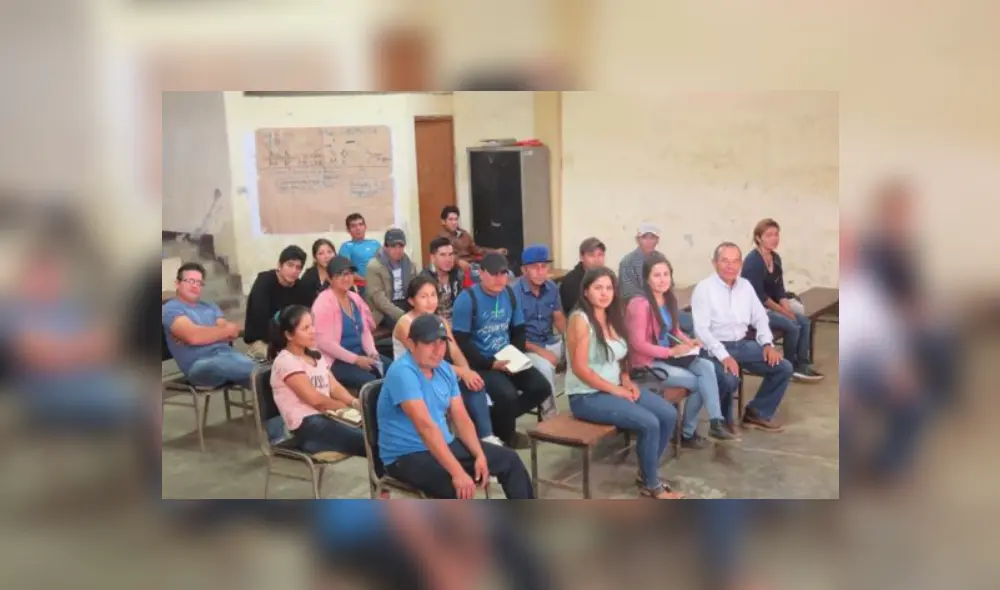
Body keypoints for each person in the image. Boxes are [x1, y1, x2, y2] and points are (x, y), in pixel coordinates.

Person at [377, 314, 535, 499]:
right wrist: (458, 473)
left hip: (444, 443)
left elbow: (461, 418)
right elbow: (425, 428)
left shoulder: (444, 369)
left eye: (442, 343)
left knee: (509, 460)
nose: (438, 350)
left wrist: (479, 454)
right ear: (411, 344)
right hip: (406, 455)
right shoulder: (403, 372)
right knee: (456, 486)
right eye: (430, 343)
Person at [565, 267, 684, 499]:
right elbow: (580, 369)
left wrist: (627, 381)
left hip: (614, 388)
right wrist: (616, 390)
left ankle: (646, 472)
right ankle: (651, 484)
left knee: (668, 414)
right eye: (598, 288)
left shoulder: (613, 315)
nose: (604, 293)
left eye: (609, 288)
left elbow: (622, 357)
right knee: (649, 422)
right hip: (587, 395)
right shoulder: (580, 320)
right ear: (586, 292)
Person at [625, 252, 737, 445]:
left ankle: (715, 422)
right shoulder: (640, 304)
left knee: (707, 368)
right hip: (648, 364)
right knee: (701, 382)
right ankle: (688, 433)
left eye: (666, 274)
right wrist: (671, 352)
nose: (662, 280)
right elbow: (638, 344)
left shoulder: (668, 298)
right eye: (656, 275)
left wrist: (688, 341)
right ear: (646, 279)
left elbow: (674, 329)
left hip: (669, 357)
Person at [452, 253, 552, 448]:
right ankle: (507, 437)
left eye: (504, 274)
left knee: (541, 387)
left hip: (506, 356)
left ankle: (495, 421)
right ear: (481, 273)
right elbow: (461, 341)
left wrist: (513, 355)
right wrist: (490, 364)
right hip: (481, 362)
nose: (500, 279)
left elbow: (519, 331)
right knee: (507, 395)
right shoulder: (467, 299)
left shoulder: (509, 294)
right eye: (495, 274)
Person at [691, 242, 793, 432]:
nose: (730, 266)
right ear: (714, 263)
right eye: (725, 261)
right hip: (714, 348)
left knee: (783, 368)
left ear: (741, 264)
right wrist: (724, 356)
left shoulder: (745, 286)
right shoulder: (704, 289)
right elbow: (702, 330)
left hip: (743, 345)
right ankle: (722, 422)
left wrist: (768, 344)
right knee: (730, 379)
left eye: (735, 261)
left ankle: (756, 413)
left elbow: (760, 317)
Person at [393, 276, 502, 447]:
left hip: (438, 370)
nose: (430, 301)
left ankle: (486, 437)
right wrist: (462, 373)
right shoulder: (405, 324)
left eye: (433, 295)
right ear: (411, 301)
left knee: (474, 384)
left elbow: (455, 351)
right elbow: (425, 359)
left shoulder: (441, 321)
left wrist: (467, 371)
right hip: (415, 374)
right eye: (423, 296)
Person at [267, 305, 366, 457]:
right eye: (305, 328)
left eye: (312, 325)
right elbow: (314, 399)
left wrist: (354, 402)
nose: (313, 331)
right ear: (288, 335)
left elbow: (334, 386)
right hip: (308, 425)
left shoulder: (315, 355)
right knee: (369, 440)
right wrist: (344, 407)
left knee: (377, 429)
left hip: (327, 416)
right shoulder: (285, 361)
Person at [741, 219, 823, 381]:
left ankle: (802, 365)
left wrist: (787, 309)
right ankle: (790, 366)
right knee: (792, 325)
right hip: (755, 311)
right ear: (758, 238)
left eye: (776, 234)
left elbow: (779, 290)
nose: (774, 238)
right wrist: (784, 312)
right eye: (769, 235)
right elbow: (760, 297)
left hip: (772, 307)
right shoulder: (753, 261)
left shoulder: (775, 258)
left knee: (804, 322)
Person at [312, 256, 393, 390]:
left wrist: (372, 352)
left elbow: (365, 331)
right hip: (336, 360)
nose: (346, 278)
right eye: (340, 275)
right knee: (372, 383)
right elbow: (324, 343)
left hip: (360, 353)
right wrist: (356, 359)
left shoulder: (354, 298)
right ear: (329, 278)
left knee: (393, 370)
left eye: (349, 273)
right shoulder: (323, 302)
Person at [514, 244, 566, 418]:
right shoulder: (514, 294)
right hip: (527, 348)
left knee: (585, 350)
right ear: (524, 270)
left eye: (543, 267)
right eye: (534, 267)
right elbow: (515, 338)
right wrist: (542, 352)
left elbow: (558, 318)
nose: (540, 271)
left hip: (550, 341)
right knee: (545, 368)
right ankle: (550, 416)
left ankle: (586, 404)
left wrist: (572, 341)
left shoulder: (551, 287)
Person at [242, 245, 311, 360]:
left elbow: (306, 316)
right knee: (288, 360)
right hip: (263, 341)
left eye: (298, 267)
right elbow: (260, 322)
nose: (294, 271)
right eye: (290, 265)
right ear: (279, 265)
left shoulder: (301, 287)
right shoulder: (264, 282)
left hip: (292, 339)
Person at [365, 228, 420, 329]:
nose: (398, 250)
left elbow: (415, 287)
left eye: (401, 246)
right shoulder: (374, 266)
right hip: (384, 310)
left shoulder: (408, 264)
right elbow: (379, 298)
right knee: (409, 326)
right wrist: (402, 315)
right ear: (385, 246)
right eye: (393, 246)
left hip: (406, 303)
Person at [438, 205, 506, 270]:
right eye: (450, 220)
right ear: (443, 221)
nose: (454, 222)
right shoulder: (441, 239)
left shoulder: (464, 234)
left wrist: (495, 251)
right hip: (458, 270)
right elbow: (444, 257)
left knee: (507, 273)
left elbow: (476, 250)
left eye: (456, 219)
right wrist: (458, 262)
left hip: (473, 264)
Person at [420, 236, 470, 323]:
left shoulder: (457, 274)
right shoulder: (424, 279)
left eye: (451, 254)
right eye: (443, 255)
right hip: (434, 325)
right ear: (433, 258)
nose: (448, 259)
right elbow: (424, 313)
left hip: (457, 322)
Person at [560, 237, 606, 315]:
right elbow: (577, 312)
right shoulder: (571, 281)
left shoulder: (607, 277)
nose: (597, 259)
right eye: (591, 255)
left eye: (600, 255)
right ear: (581, 257)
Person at [618, 222, 662, 301]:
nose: (649, 241)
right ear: (637, 240)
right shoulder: (627, 262)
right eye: (644, 237)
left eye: (652, 237)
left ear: (658, 240)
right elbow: (628, 292)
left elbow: (669, 285)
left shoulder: (661, 259)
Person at [339, 213, 381, 286]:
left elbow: (385, 263)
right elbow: (345, 270)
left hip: (379, 284)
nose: (358, 228)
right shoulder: (346, 247)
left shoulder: (375, 243)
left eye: (361, 224)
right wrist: (366, 280)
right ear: (348, 230)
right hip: (360, 286)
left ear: (365, 227)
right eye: (353, 226)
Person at [299, 238, 337, 306]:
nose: (326, 256)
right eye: (321, 253)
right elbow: (304, 303)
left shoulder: (341, 272)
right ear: (315, 258)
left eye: (329, 252)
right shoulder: (308, 276)